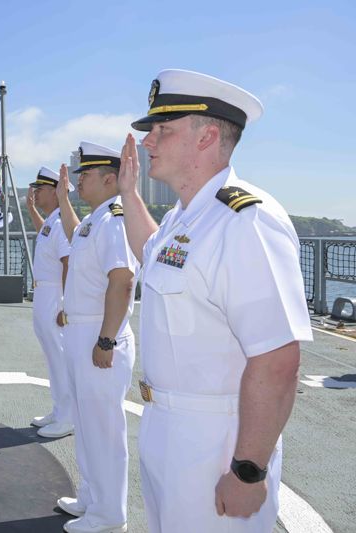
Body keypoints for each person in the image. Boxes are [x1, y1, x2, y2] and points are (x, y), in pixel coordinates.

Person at [117, 69, 313, 532]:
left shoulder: (245, 221)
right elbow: (153, 256)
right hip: (167, 427)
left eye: (163, 130)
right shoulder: (184, 218)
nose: (148, 143)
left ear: (206, 136)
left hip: (217, 442)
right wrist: (128, 192)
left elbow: (277, 358)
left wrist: (248, 470)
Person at [54, 142, 138, 533]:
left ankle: (109, 513)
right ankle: (91, 497)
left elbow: (122, 281)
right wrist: (60, 197)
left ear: (109, 179)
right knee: (87, 424)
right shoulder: (95, 221)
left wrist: (107, 341)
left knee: (103, 427)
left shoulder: (117, 220)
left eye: (86, 174)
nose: (80, 179)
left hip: (100, 333)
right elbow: (76, 239)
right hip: (81, 329)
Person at [25, 166, 73, 439]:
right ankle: (58, 410)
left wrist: (66, 303)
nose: (36, 193)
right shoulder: (53, 223)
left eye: (40, 189)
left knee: (60, 357)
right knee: (51, 357)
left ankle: (68, 417)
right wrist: (32, 209)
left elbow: (68, 262)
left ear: (56, 192)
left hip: (55, 295)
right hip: (44, 294)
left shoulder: (62, 224)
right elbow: (43, 232)